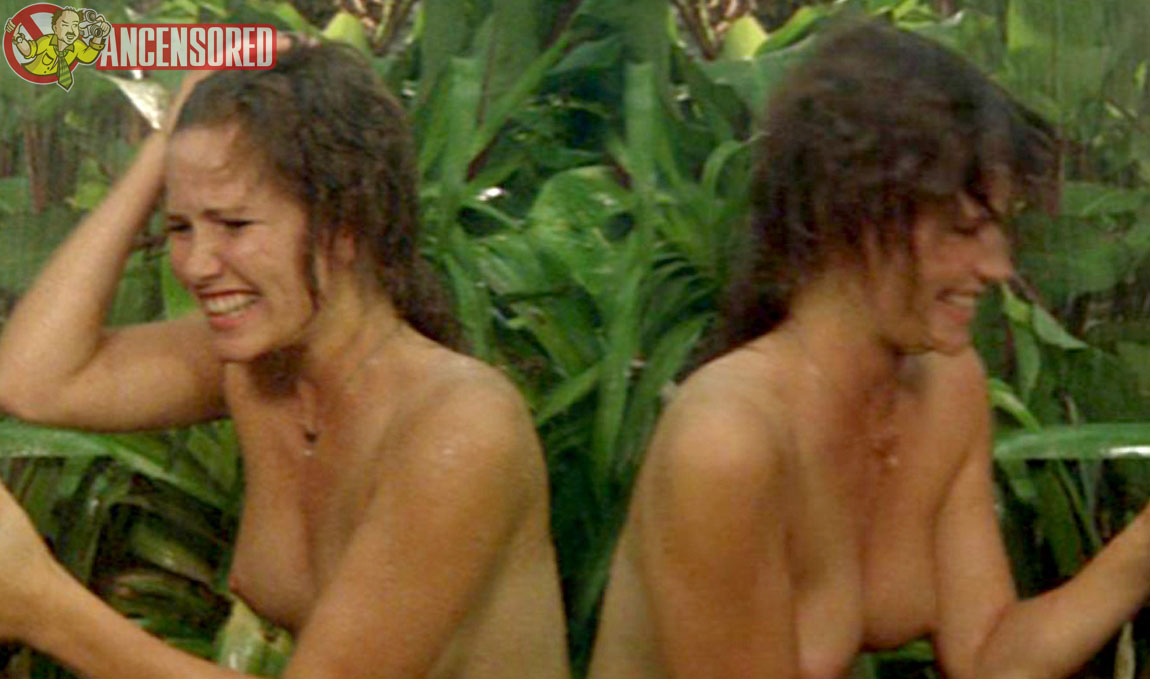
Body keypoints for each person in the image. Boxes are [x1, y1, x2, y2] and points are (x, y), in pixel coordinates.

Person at [587, 21, 1148, 679]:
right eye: (962, 230)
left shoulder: (947, 385)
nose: (998, 267)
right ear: (850, 216)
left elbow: (990, 656)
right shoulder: (727, 439)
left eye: (998, 229)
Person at [0, 40, 570, 679]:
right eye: (182, 227)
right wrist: (169, 146)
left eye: (234, 225)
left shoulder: (459, 426)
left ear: (346, 223)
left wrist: (43, 606)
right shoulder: (258, 367)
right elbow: (35, 382)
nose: (196, 264)